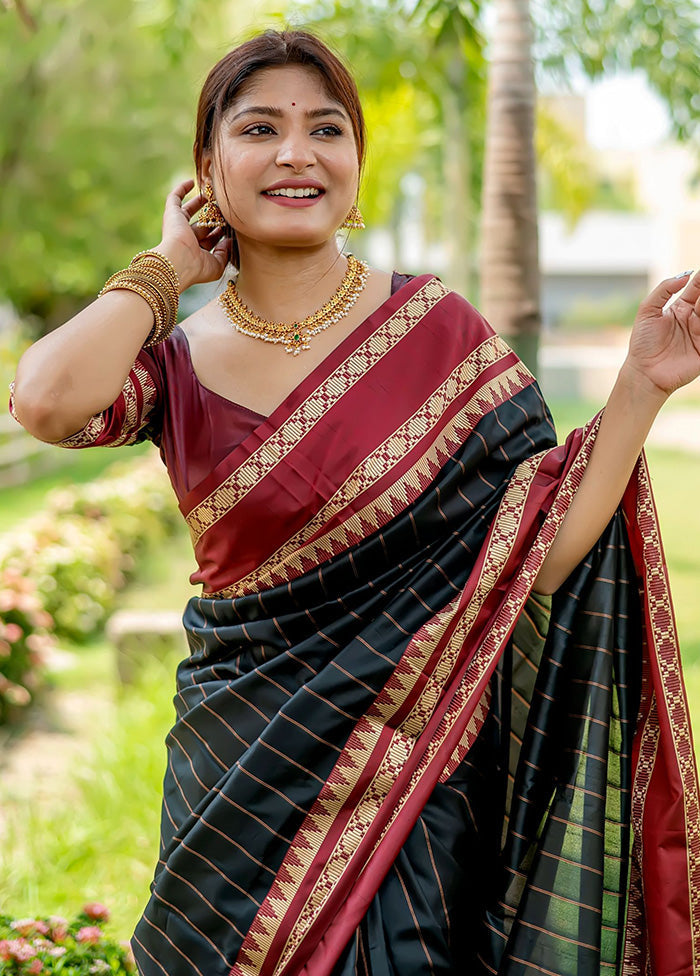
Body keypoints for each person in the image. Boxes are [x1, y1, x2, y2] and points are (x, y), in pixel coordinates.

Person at [9, 28, 700, 976]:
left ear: (355, 166)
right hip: (236, 779)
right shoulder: (172, 363)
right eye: (260, 128)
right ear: (206, 167)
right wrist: (167, 267)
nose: (296, 153)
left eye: (325, 128)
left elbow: (534, 562)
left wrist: (641, 386)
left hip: (408, 795)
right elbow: (44, 401)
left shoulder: (439, 333)